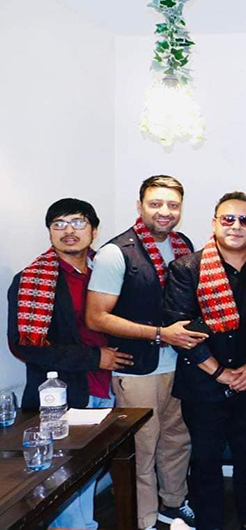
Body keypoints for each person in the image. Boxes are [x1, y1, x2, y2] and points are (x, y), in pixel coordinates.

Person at [7, 198, 132, 530]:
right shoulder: (33, 280)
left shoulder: (106, 272)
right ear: (49, 232)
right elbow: (24, 346)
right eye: (58, 224)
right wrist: (95, 357)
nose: (68, 231)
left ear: (94, 229)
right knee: (64, 478)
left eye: (78, 222)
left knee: (88, 475)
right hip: (62, 395)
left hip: (106, 387)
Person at [86, 176, 204, 529]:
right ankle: (145, 518)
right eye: (155, 203)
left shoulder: (183, 245)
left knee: (177, 441)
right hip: (138, 369)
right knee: (142, 448)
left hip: (180, 365)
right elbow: (96, 317)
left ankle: (173, 505)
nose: (164, 211)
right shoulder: (115, 253)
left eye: (172, 205)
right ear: (140, 206)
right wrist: (159, 334)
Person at [164, 192, 246, 530]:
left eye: (245, 220)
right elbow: (182, 330)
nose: (236, 226)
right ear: (214, 224)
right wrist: (219, 373)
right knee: (205, 461)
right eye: (228, 219)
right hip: (202, 384)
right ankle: (209, 523)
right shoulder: (187, 269)